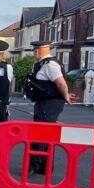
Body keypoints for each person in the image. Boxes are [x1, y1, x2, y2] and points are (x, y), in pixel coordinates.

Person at [26, 41, 73, 174]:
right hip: (44, 102)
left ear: (44, 49)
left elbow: (61, 83)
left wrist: (66, 96)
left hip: (50, 103)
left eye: (37, 49)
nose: (35, 52)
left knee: (43, 134)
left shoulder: (50, 65)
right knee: (40, 133)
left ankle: (40, 166)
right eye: (35, 49)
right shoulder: (42, 64)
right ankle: (40, 166)